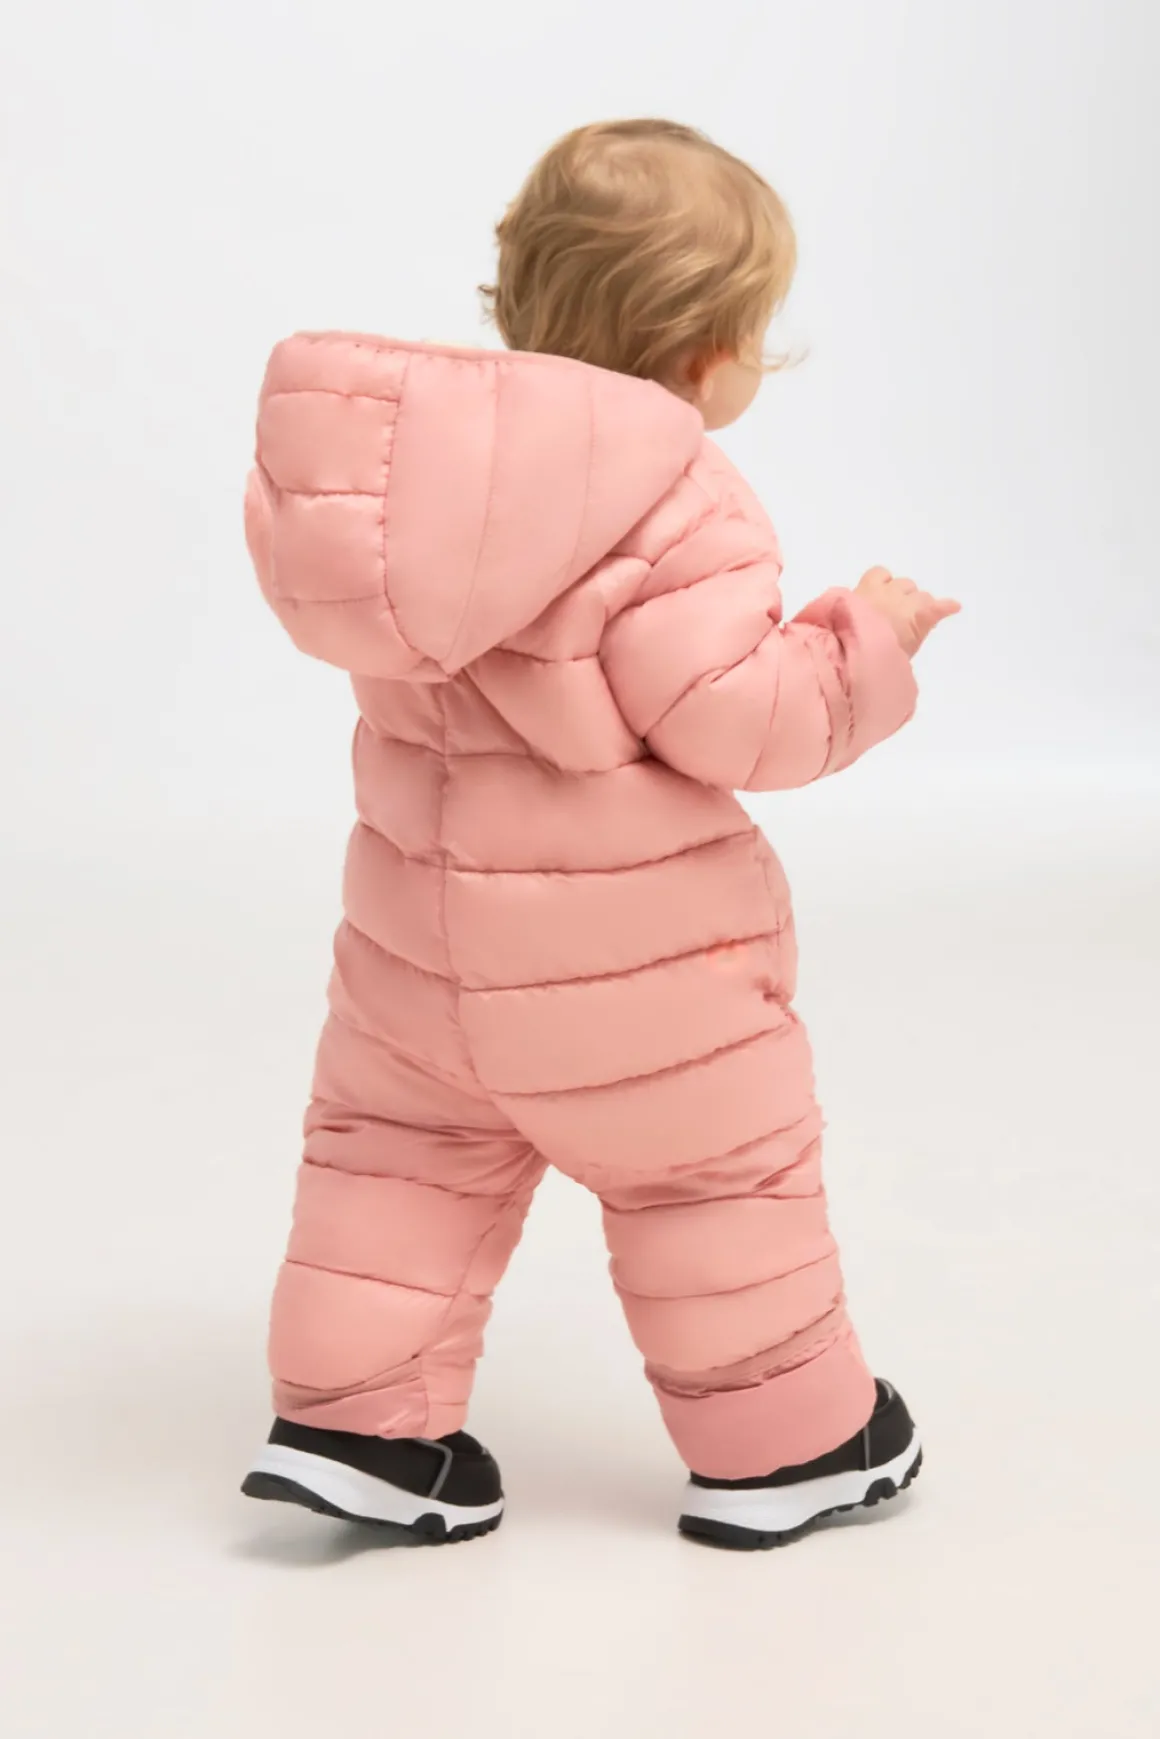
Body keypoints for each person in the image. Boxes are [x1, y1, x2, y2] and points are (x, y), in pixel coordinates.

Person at [240, 118, 958, 1550]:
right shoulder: (673, 496)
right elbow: (739, 719)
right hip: (633, 980)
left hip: (419, 968)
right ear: (707, 352)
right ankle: (791, 1447)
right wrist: (864, 643)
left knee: (395, 1164)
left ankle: (356, 1430)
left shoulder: (412, 500)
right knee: (716, 1182)